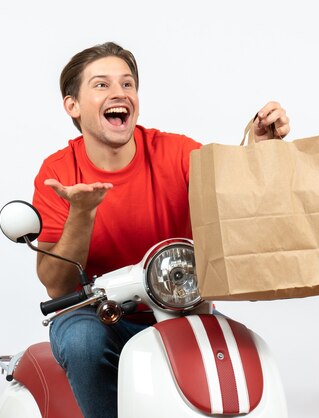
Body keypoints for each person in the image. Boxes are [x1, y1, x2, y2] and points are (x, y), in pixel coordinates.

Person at [32, 41, 290, 418]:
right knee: (83, 340)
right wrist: (82, 213)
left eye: (127, 84)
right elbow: (56, 286)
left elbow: (239, 204)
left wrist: (262, 149)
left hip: (183, 310)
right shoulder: (58, 172)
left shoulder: (177, 153)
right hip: (96, 315)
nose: (119, 93)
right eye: (101, 85)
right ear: (72, 105)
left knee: (240, 347)